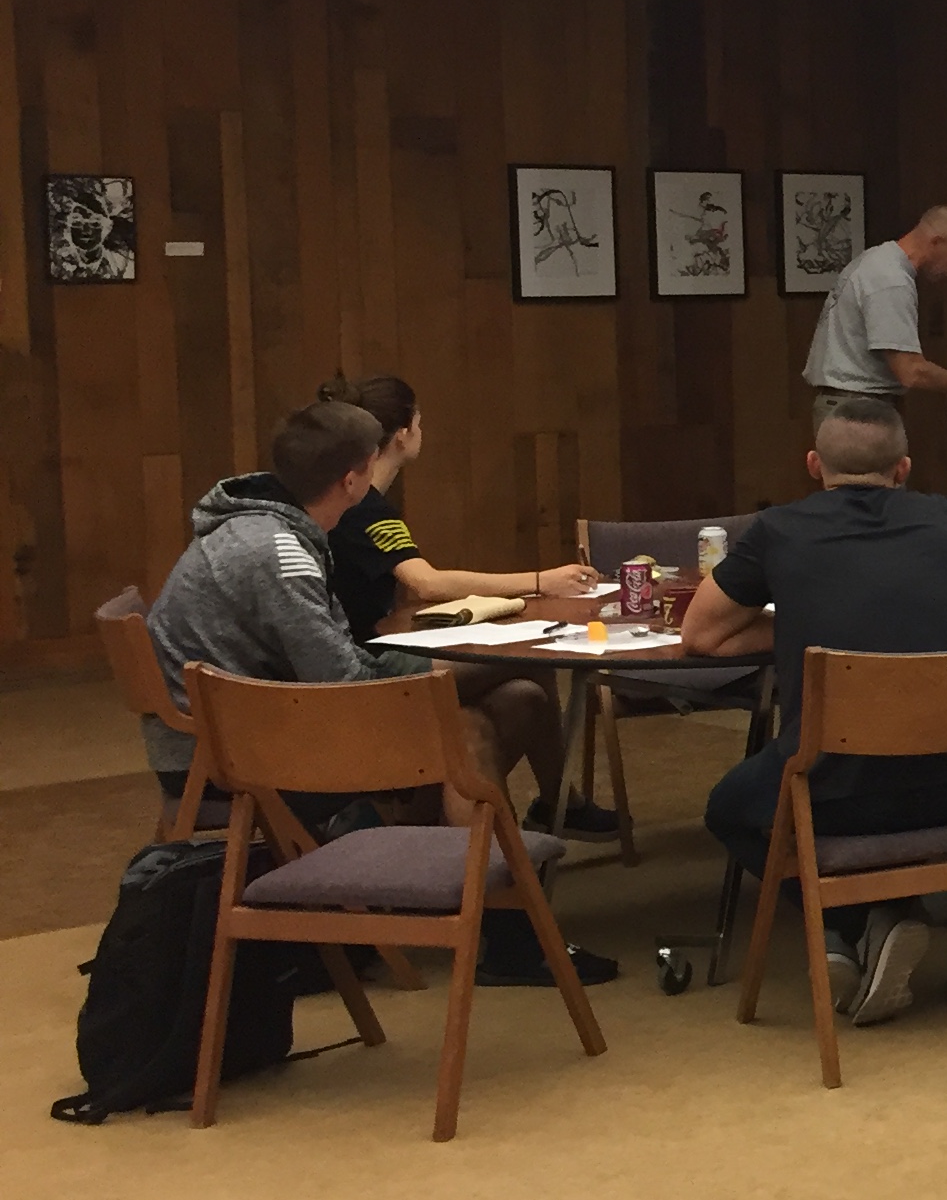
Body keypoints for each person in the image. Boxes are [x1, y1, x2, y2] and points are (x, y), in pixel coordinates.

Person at [146, 401, 611, 980]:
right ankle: (510, 932)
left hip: (247, 731)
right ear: (352, 479)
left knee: (517, 698)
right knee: (467, 727)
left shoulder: (260, 525)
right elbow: (350, 686)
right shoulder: (279, 555)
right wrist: (484, 657)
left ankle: (472, 900)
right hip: (236, 760)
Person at [684, 400, 947, 1027]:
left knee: (728, 811)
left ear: (814, 465)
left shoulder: (777, 529)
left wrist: (803, 633)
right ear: (903, 468)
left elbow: (700, 636)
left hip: (837, 788)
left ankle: (849, 919)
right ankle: (880, 916)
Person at [312, 373, 616, 835]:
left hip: (372, 651)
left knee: (516, 701)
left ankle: (506, 841)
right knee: (530, 660)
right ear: (403, 434)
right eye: (420, 423)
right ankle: (556, 808)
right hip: (365, 671)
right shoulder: (364, 507)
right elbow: (427, 583)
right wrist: (539, 580)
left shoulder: (361, 498)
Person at [801, 204, 947, 417]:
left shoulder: (877, 259)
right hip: (857, 413)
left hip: (848, 405)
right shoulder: (891, 279)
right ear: (936, 242)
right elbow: (911, 372)